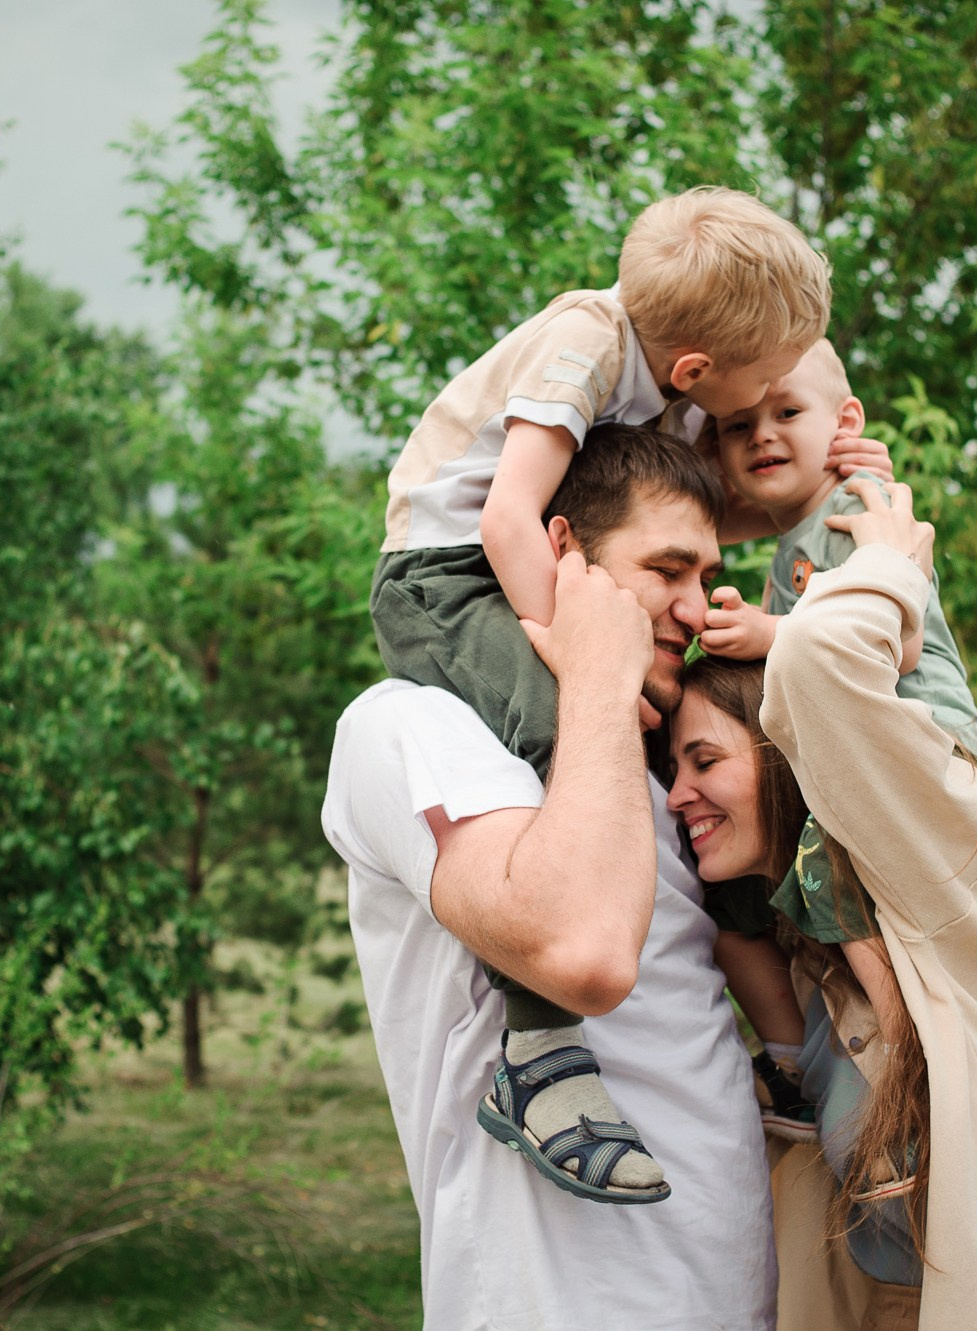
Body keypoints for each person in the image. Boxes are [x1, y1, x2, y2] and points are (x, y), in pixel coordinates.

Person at [368, 185, 832, 1199]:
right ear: (694, 370)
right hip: (444, 574)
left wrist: (836, 494)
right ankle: (536, 1053)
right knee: (555, 724)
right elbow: (507, 519)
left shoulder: (665, 390)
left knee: (695, 734)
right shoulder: (586, 341)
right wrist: (585, 665)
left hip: (530, 559)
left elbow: (680, 510)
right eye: (763, 382)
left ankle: (789, 1041)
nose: (765, 398)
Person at [664, 477, 977, 1329]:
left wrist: (891, 565)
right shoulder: (816, 943)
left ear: (785, 749)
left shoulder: (954, 856)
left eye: (704, 761)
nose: (680, 794)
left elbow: (818, 662)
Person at [322, 426, 776, 1328]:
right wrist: (597, 672)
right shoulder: (407, 726)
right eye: (667, 569)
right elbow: (584, 954)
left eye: (705, 576)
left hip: (735, 1282)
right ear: (561, 548)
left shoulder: (667, 775)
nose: (695, 609)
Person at [692, 338, 977, 1145]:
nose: (761, 435)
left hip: (926, 736)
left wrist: (769, 633)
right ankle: (824, 1050)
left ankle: (909, 1052)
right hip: (867, 748)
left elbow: (894, 642)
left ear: (845, 423)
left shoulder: (860, 502)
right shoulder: (797, 530)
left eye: (787, 412)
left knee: (826, 867)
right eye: (737, 425)